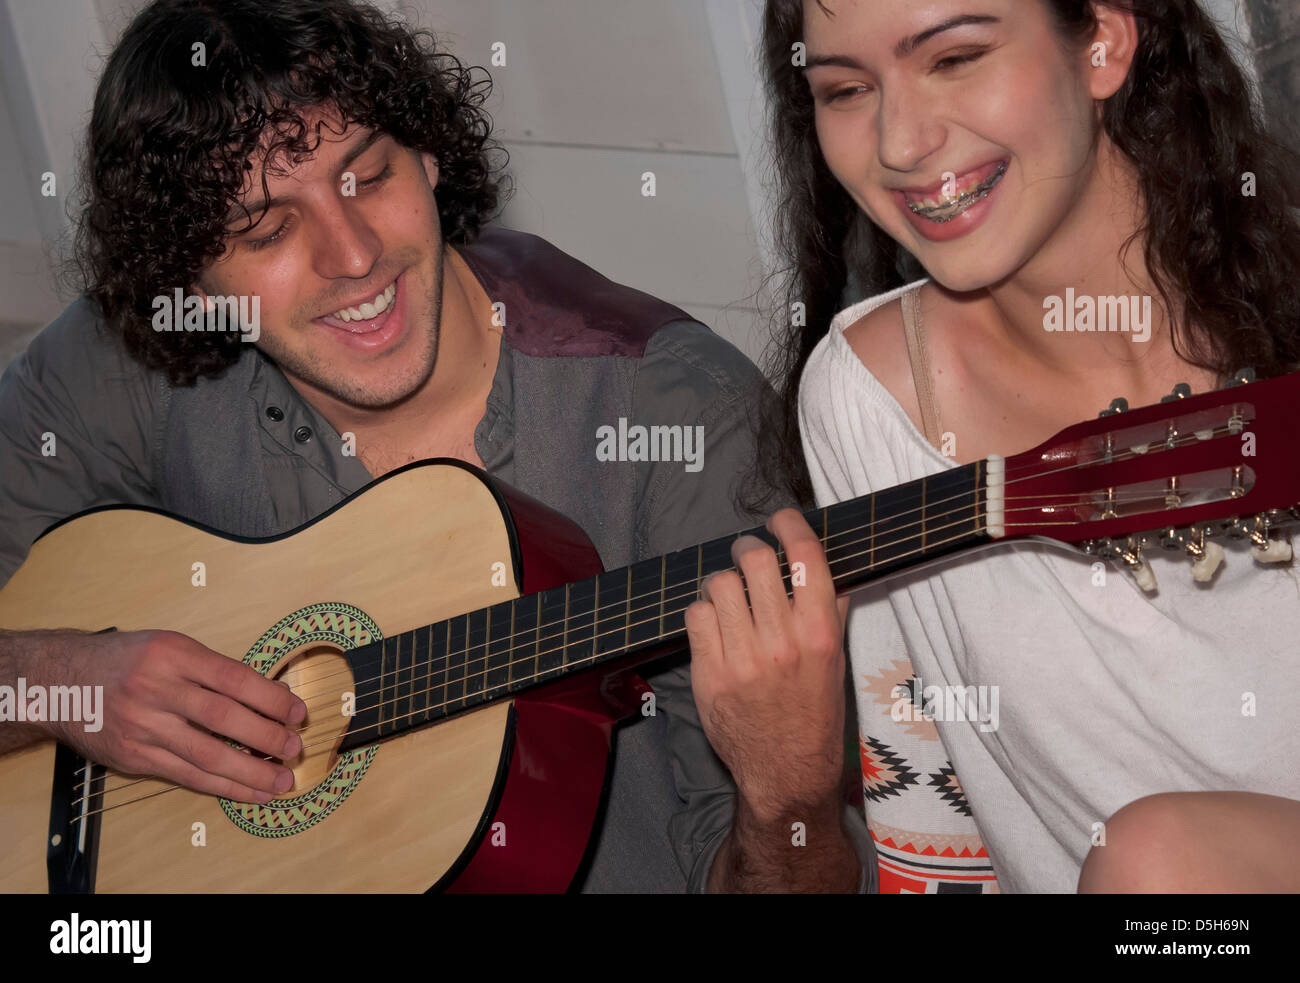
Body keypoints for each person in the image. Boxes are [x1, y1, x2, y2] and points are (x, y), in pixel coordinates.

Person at [0, 0, 779, 893]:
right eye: (266, 231)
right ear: (187, 275)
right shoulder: (130, 364)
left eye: (367, 177)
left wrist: (787, 788)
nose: (355, 255)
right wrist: (63, 680)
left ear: (430, 154)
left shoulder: (674, 416)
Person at [685, 0, 1300, 892]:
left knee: (1158, 865)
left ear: (1102, 43)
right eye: (847, 88)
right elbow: (930, 814)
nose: (900, 141)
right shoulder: (868, 396)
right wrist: (785, 785)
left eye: (957, 57)